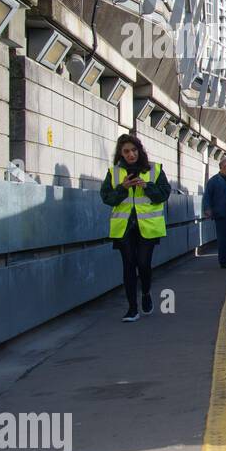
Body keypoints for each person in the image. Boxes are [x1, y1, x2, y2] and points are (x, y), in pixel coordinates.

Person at [100, 133, 171, 322]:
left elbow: (164, 194)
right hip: (124, 228)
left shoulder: (154, 170)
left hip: (147, 227)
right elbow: (106, 198)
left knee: (143, 264)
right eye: (126, 151)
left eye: (133, 150)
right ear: (121, 154)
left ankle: (146, 293)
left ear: (139, 150)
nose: (130, 154)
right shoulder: (114, 173)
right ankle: (132, 309)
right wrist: (123, 188)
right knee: (129, 265)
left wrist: (147, 186)